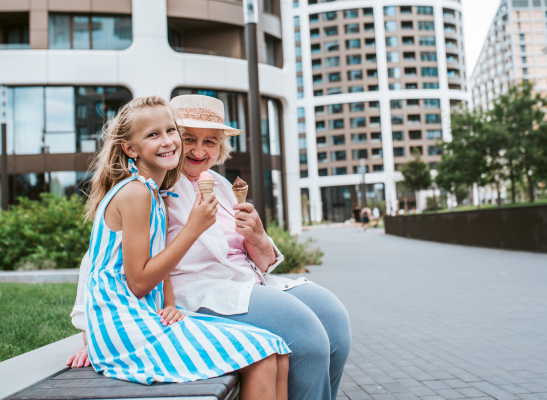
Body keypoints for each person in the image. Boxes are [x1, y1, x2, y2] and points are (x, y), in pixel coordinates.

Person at [69, 95, 351, 400]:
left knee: (335, 323)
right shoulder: (154, 185)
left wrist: (258, 237)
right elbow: (103, 260)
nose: (199, 150)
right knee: (306, 337)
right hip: (200, 290)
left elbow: (263, 261)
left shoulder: (220, 186)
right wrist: (91, 330)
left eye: (211, 141)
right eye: (189, 138)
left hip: (247, 281)